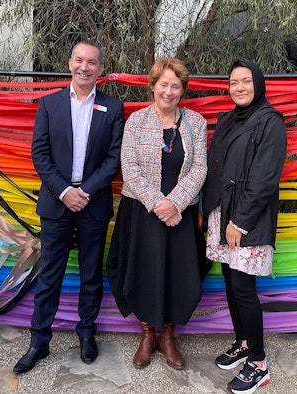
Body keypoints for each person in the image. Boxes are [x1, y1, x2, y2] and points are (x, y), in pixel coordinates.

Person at [13, 41, 125, 374]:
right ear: (69, 63)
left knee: (91, 275)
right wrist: (64, 191)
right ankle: (39, 341)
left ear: (100, 70)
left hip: (93, 203)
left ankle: (87, 335)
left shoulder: (113, 108)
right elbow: (40, 155)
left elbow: (113, 159)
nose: (85, 67)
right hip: (56, 202)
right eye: (79, 60)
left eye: (92, 62)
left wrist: (84, 191)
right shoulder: (49, 105)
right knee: (50, 275)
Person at [106, 58, 207, 370]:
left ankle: (168, 335)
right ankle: (147, 333)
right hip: (142, 211)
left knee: (178, 274)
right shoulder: (136, 122)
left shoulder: (196, 122)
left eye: (175, 86)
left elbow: (200, 168)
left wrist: (174, 203)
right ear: (152, 86)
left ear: (183, 90)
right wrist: (158, 204)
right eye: (163, 84)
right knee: (144, 270)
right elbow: (130, 169)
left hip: (181, 214)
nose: (169, 91)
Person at [202, 60, 287, 393]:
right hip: (221, 214)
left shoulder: (270, 122)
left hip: (245, 219)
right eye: (233, 82)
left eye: (246, 81)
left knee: (243, 288)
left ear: (259, 83)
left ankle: (259, 363)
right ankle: (243, 342)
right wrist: (207, 210)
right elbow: (215, 167)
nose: (239, 87)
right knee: (229, 280)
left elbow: (265, 179)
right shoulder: (227, 120)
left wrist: (240, 221)